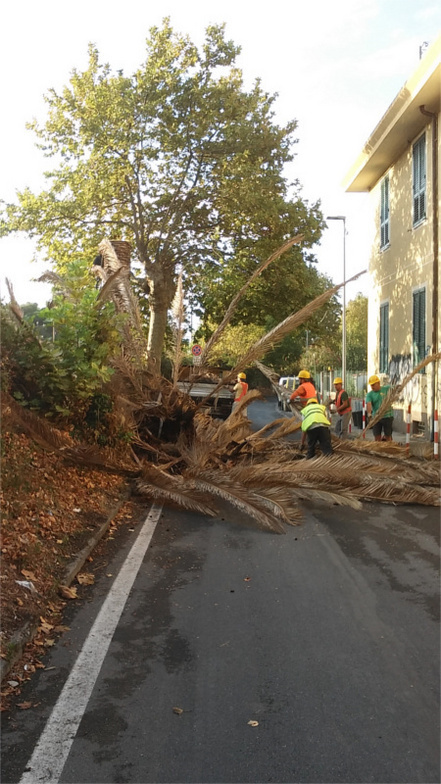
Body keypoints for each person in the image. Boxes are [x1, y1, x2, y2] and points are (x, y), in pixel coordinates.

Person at [365, 374, 393, 441]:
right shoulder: (370, 394)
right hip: (376, 417)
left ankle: (390, 448)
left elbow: (395, 389)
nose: (372, 387)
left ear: (378, 383)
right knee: (377, 436)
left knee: (388, 436)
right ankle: (378, 448)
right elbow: (369, 404)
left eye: (374, 385)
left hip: (387, 416)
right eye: (371, 385)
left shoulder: (386, 389)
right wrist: (369, 414)